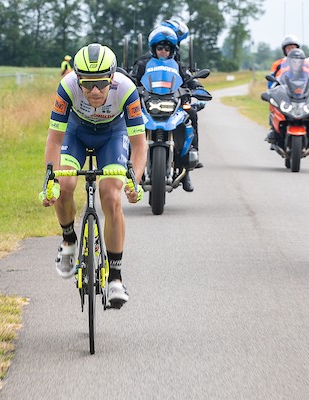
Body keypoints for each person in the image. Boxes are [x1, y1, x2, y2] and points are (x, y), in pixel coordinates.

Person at [41, 43, 148, 308]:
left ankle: (116, 279)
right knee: (65, 184)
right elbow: (54, 141)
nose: (95, 91)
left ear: (112, 77)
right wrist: (50, 181)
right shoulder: (67, 87)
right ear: (78, 79)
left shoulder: (126, 89)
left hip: (113, 134)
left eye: (101, 83)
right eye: (87, 85)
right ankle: (68, 241)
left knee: (111, 196)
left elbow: (139, 144)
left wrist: (135, 180)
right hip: (76, 133)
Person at [129, 23, 200, 191]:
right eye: (160, 47)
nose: (163, 51)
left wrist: (197, 87)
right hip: (148, 102)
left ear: (172, 50)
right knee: (125, 118)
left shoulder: (179, 66)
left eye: (167, 48)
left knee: (193, 113)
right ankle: (124, 158)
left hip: (173, 103)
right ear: (154, 48)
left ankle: (188, 168)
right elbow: (131, 80)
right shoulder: (142, 63)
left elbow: (191, 80)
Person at [265, 36, 309, 145]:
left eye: (293, 47)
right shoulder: (278, 64)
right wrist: (271, 89)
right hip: (284, 91)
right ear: (284, 50)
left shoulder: (306, 63)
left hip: (302, 93)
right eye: (288, 48)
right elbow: (272, 79)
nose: (291, 50)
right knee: (274, 105)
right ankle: (273, 129)